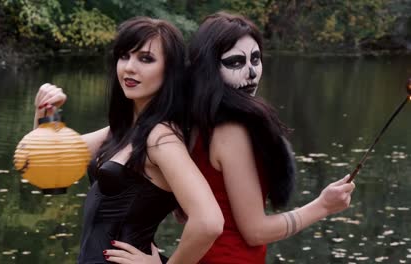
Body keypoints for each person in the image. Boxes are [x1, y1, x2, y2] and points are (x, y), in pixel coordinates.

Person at [107, 12, 355, 264]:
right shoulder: (230, 132)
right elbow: (255, 231)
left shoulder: (189, 124)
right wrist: (323, 206)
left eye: (255, 59)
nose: (251, 73)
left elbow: (182, 212)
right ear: (209, 68)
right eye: (235, 62)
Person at [32, 17, 224, 264]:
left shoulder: (161, 139)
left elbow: (209, 222)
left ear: (170, 71)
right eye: (124, 56)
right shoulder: (122, 131)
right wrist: (46, 114)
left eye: (145, 59)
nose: (129, 68)